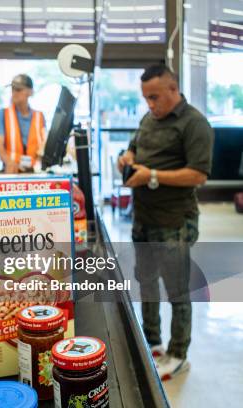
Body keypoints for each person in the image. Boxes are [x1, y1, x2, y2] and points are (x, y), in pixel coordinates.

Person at [118, 64, 214, 380]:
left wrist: (153, 175)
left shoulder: (194, 124)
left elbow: (198, 174)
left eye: (155, 97)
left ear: (173, 90)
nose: (150, 104)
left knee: (176, 291)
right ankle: (152, 341)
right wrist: (128, 158)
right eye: (146, 98)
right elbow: (134, 146)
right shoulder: (149, 118)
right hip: (143, 219)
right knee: (146, 282)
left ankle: (178, 353)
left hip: (174, 222)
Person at [0, 74, 47, 173]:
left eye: (18, 89)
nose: (14, 93)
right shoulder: (3, 114)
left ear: (30, 92)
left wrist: (40, 163)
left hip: (34, 171)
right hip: (12, 171)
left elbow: (44, 145)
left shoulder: (40, 116)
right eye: (12, 89)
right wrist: (9, 162)